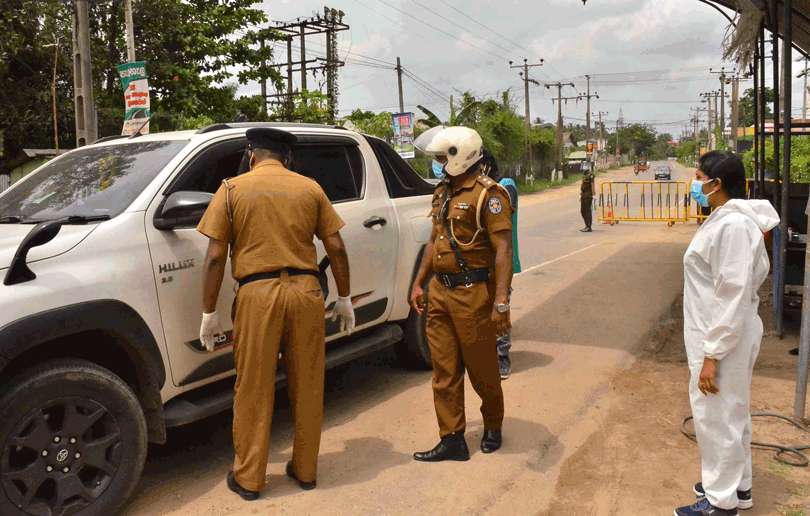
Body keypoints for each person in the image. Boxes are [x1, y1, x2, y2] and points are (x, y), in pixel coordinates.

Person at [197, 127, 355, 501]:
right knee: (308, 382)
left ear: (252, 154)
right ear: (286, 156)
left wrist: (208, 312)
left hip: (258, 294)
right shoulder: (309, 187)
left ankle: (250, 479)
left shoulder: (232, 189)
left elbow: (216, 255)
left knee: (253, 386)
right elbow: (336, 246)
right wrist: (345, 296)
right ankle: (306, 471)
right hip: (306, 291)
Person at [674, 151, 779, 516]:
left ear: (716, 184)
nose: (694, 184)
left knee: (716, 418)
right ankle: (738, 486)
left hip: (722, 338)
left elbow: (730, 293)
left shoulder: (733, 227)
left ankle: (720, 503)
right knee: (732, 413)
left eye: (698, 176)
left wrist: (712, 355)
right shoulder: (726, 221)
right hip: (725, 334)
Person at [410, 126, 513, 461]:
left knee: (482, 369)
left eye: (443, 157)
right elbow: (434, 240)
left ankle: (493, 425)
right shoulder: (443, 192)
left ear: (460, 155)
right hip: (440, 292)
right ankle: (452, 438)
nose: (439, 164)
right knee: (444, 371)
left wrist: (501, 302)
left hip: (473, 294)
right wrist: (418, 282)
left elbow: (502, 251)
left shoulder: (489, 194)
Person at [481, 151, 521, 380]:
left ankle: (502, 357)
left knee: (501, 304)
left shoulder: (504, 186)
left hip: (502, 258)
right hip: (485, 260)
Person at [580, 162, 595, 232]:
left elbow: (592, 185)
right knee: (582, 211)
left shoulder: (590, 175)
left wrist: (593, 194)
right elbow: (583, 184)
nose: (583, 169)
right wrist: (580, 194)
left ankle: (589, 227)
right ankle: (586, 225)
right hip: (583, 195)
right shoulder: (584, 175)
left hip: (588, 195)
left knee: (587, 211)